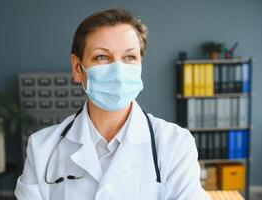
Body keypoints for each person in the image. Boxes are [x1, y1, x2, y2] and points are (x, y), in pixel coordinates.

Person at [15, 7, 209, 200]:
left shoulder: (174, 144)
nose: (118, 70)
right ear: (77, 68)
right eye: (102, 57)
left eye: (129, 57)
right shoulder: (43, 148)